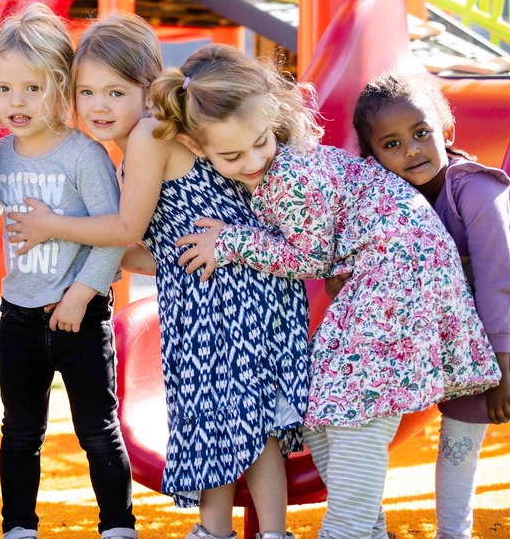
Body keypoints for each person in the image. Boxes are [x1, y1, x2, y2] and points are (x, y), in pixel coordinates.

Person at [165, 44, 501, 539]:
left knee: (353, 407)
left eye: (261, 142)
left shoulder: (289, 174)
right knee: (323, 408)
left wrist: (231, 242)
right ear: (198, 149)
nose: (256, 159)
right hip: (389, 272)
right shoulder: (281, 167)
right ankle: (366, 526)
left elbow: (308, 258)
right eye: (233, 156)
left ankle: (349, 525)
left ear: (273, 120)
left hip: (398, 274)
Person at [5, 16, 308, 539]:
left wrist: (51, 225)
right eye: (86, 92)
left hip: (235, 292)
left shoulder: (148, 134)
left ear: (149, 90)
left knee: (248, 419)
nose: (99, 106)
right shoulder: (141, 143)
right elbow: (155, 251)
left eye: (116, 92)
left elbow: (125, 228)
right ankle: (213, 529)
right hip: (203, 292)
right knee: (205, 414)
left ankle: (273, 532)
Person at [0, 3, 137, 539]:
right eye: (4, 90)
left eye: (33, 88)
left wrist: (79, 295)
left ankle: (117, 524)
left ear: (62, 87)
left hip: (80, 316)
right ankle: (19, 525)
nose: (17, 102)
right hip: (20, 320)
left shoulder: (84, 157)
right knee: (20, 431)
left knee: (97, 429)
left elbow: (114, 234)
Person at [352, 71, 510, 539]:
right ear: (373, 157)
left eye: (422, 134)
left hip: (486, 335)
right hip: (429, 337)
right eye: (392, 144)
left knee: (461, 438)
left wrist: (503, 364)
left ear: (447, 133)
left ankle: (453, 532)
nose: (412, 151)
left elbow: (498, 281)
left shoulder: (475, 192)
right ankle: (365, 522)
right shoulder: (388, 199)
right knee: (358, 414)